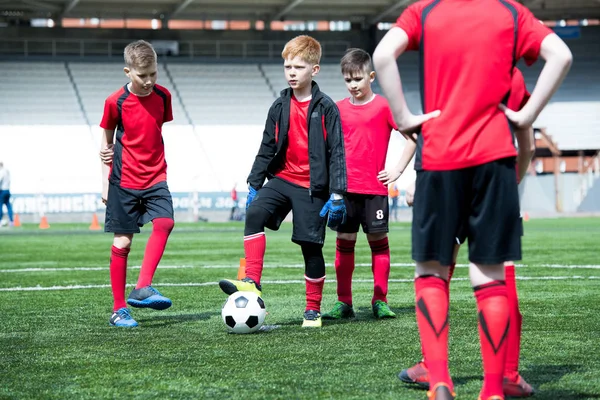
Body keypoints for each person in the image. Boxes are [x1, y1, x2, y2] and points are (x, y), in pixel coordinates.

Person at [373, 1, 572, 398]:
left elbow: (381, 55)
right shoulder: (510, 12)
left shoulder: (425, 11)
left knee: (431, 270)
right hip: (495, 161)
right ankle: (495, 388)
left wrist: (405, 116)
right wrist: (526, 113)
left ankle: (440, 379)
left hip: (441, 157)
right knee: (492, 277)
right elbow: (561, 55)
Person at [396, 68, 538, 398]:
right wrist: (513, 181)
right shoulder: (511, 74)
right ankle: (507, 374)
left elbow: (431, 125)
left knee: (436, 271)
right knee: (499, 277)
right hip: (493, 173)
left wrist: (420, 182)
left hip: (445, 174)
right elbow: (526, 140)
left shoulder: (447, 65)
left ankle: (435, 370)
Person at [218, 35, 347, 328]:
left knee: (310, 246)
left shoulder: (327, 108)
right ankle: (251, 280)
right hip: (283, 179)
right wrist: (254, 184)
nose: (291, 72)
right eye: (287, 66)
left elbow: (338, 152)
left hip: (314, 186)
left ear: (314, 70)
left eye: (298, 67)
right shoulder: (278, 106)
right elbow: (266, 146)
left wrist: (338, 193)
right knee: (254, 214)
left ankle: (312, 310)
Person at [321, 48, 416, 320]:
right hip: (344, 190)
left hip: (374, 190)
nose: (353, 85)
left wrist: (397, 169)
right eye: (348, 80)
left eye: (358, 79)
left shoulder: (384, 107)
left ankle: (380, 300)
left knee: (379, 242)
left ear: (371, 76)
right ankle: (344, 302)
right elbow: (326, 148)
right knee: (344, 241)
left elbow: (412, 138)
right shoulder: (336, 110)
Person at [99, 40, 176, 328]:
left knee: (165, 222)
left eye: (153, 74)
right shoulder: (114, 102)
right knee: (123, 241)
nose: (148, 81)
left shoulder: (164, 96)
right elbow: (106, 142)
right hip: (123, 179)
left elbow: (154, 131)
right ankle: (119, 309)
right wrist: (105, 182)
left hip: (156, 175)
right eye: (142, 75)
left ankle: (143, 286)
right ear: (127, 72)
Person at [0, 162, 14, 227]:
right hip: (7, 190)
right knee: (8, 206)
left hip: (2, 190)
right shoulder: (7, 171)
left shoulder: (1, 172)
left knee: (0, 206)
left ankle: (0, 221)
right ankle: (11, 221)